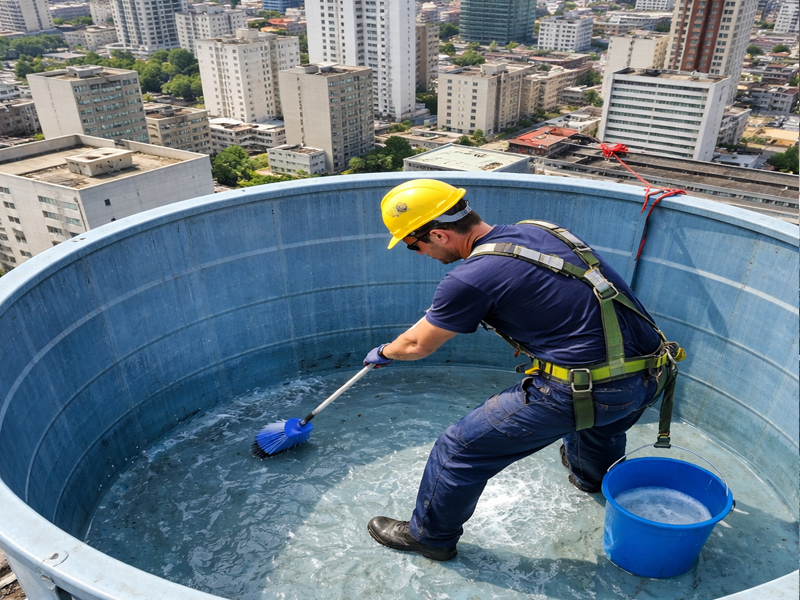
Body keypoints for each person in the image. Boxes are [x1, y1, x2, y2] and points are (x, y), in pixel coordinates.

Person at [362, 179, 682, 562]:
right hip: (649, 374)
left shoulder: (467, 279)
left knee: (458, 450)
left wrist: (385, 351)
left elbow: (416, 345)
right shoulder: (540, 231)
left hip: (582, 391)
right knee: (598, 424)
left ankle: (430, 537)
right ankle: (592, 479)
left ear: (439, 234)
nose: (418, 253)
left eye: (415, 245)